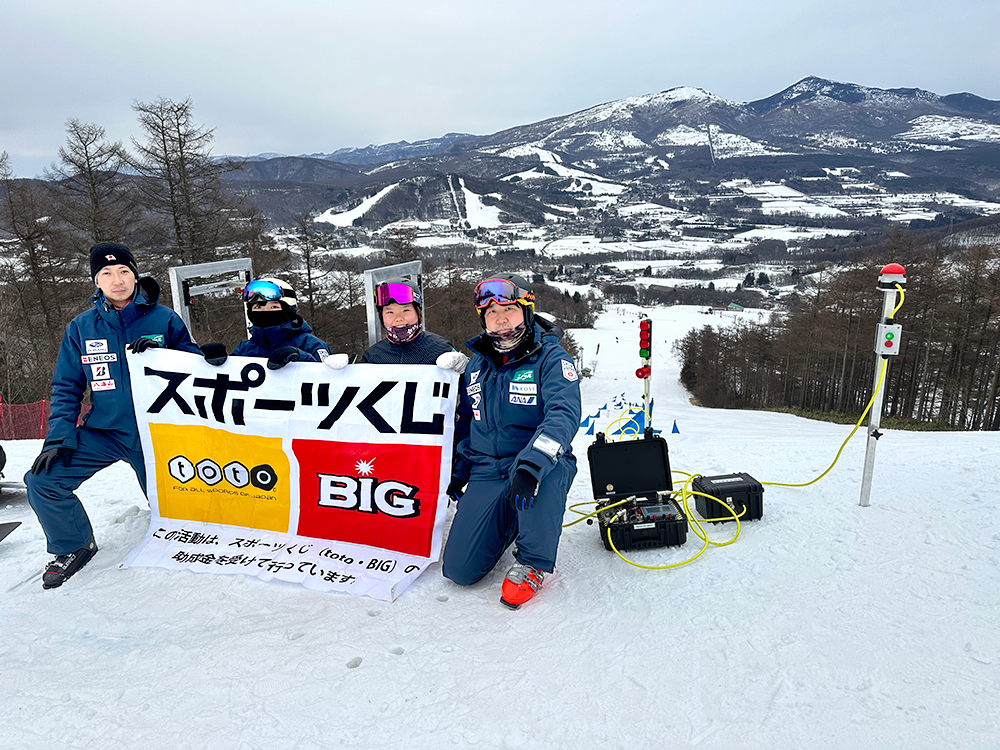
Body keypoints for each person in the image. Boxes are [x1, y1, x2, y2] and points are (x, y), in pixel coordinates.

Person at [25, 242, 203, 589]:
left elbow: (196, 369)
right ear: (96, 281)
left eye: (123, 271)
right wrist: (58, 437)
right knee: (43, 481)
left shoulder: (164, 318)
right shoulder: (81, 328)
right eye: (106, 273)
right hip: (105, 432)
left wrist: (164, 356)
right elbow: (65, 388)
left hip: (157, 435)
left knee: (178, 514)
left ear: (135, 274)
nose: (116, 279)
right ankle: (73, 545)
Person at [442, 274, 581, 609]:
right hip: (488, 470)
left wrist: (532, 466)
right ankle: (510, 521)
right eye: (491, 313)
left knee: (545, 472)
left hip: (536, 463)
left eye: (508, 309)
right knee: (459, 571)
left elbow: (563, 415)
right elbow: (466, 423)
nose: (500, 318)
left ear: (526, 310)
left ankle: (533, 561)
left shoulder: (551, 359)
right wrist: (460, 470)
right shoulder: (477, 366)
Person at [221, 278, 336, 369]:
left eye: (274, 306)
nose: (265, 311)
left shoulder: (311, 345)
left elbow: (329, 383)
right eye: (258, 306)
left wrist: (301, 358)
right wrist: (214, 365)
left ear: (288, 310)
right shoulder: (244, 349)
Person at [361, 277, 461, 368]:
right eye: (390, 312)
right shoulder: (372, 357)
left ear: (417, 313)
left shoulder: (440, 349)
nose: (398, 318)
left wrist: (465, 368)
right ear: (381, 316)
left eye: (405, 310)